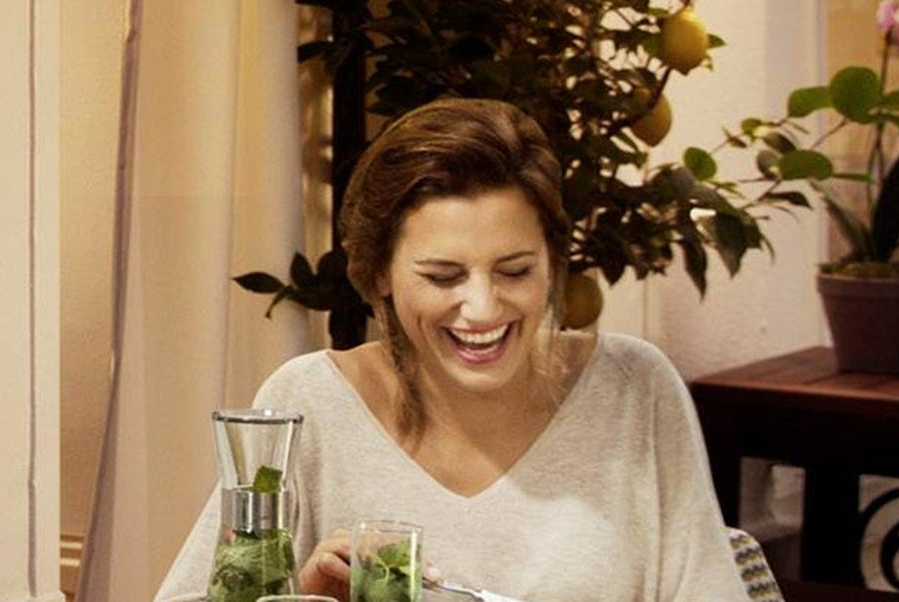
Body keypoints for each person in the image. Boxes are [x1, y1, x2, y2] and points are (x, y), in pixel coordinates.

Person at [154, 98, 747, 602]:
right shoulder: (308, 401)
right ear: (381, 272)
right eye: (442, 277)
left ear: (553, 262)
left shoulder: (635, 389)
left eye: (515, 271)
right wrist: (298, 595)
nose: (483, 309)